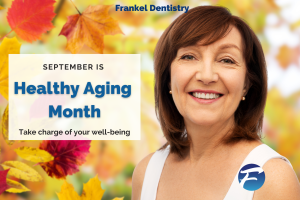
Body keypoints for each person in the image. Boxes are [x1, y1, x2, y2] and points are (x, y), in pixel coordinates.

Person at [132, 5, 300, 200]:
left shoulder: (270, 177)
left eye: (226, 60)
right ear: (168, 78)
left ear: (246, 84)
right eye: (189, 56)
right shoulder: (146, 173)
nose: (206, 76)